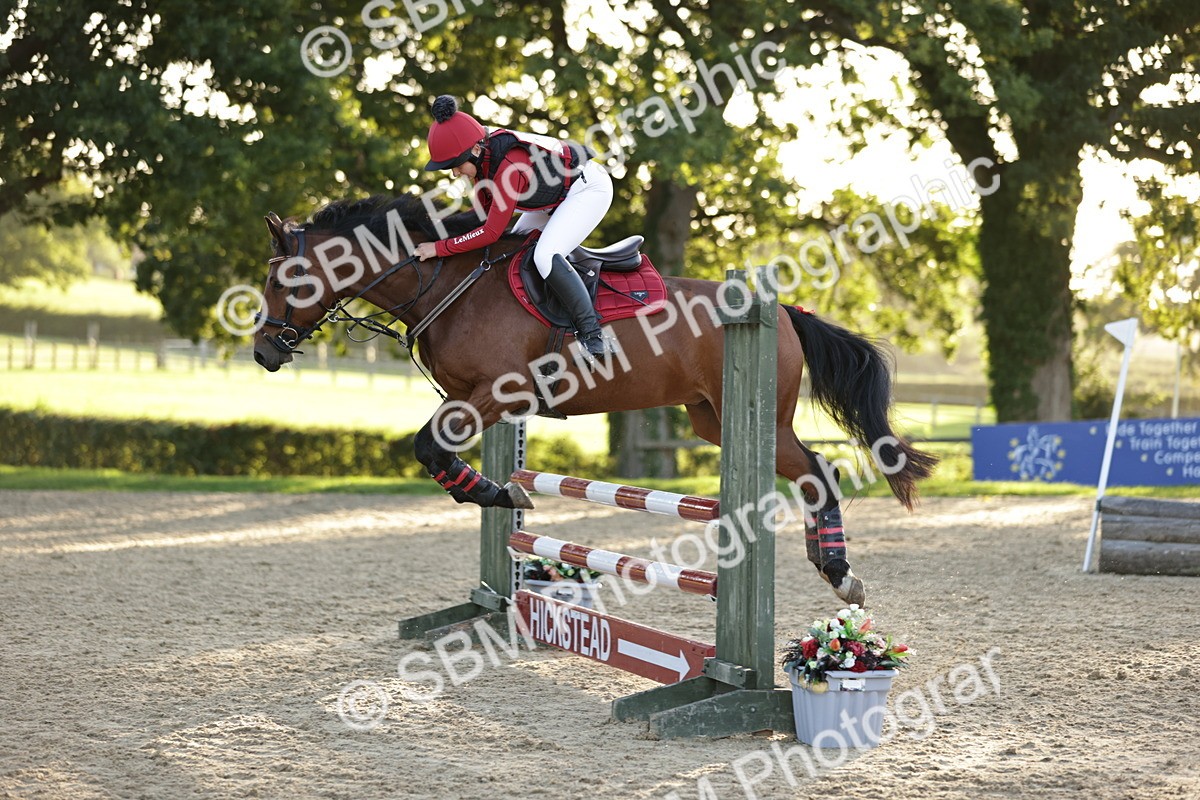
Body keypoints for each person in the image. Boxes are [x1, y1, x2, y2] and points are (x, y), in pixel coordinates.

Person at [415, 95, 614, 364]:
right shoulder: (484, 158)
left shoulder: (509, 166)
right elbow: (481, 219)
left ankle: (593, 335)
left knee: (544, 256)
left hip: (588, 189)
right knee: (514, 249)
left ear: (474, 150)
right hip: (556, 197)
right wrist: (439, 233)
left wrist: (438, 248)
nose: (454, 174)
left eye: (455, 166)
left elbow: (490, 232)